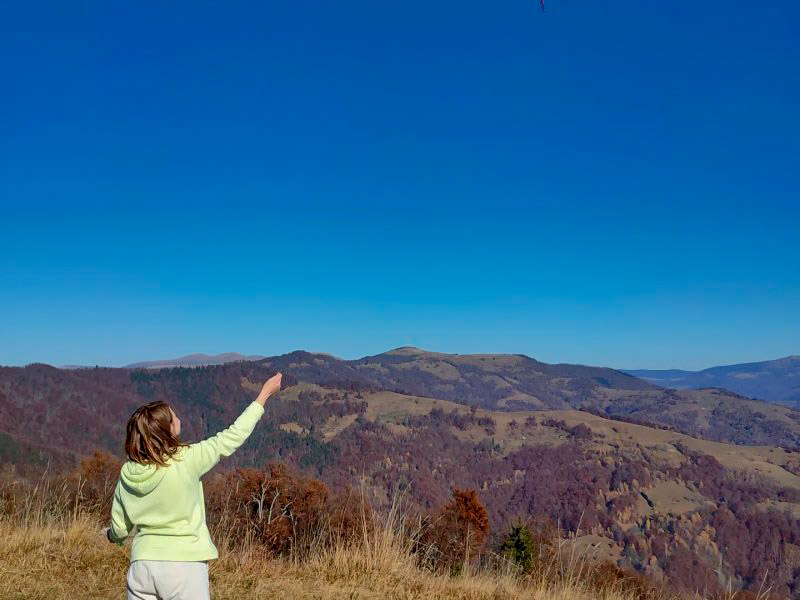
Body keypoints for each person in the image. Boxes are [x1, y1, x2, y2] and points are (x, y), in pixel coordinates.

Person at [104, 372, 282, 600]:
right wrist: (263, 396)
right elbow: (231, 437)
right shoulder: (187, 459)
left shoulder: (128, 471)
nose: (178, 419)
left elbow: (120, 529)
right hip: (183, 565)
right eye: (174, 417)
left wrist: (112, 537)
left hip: (141, 566)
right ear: (168, 429)